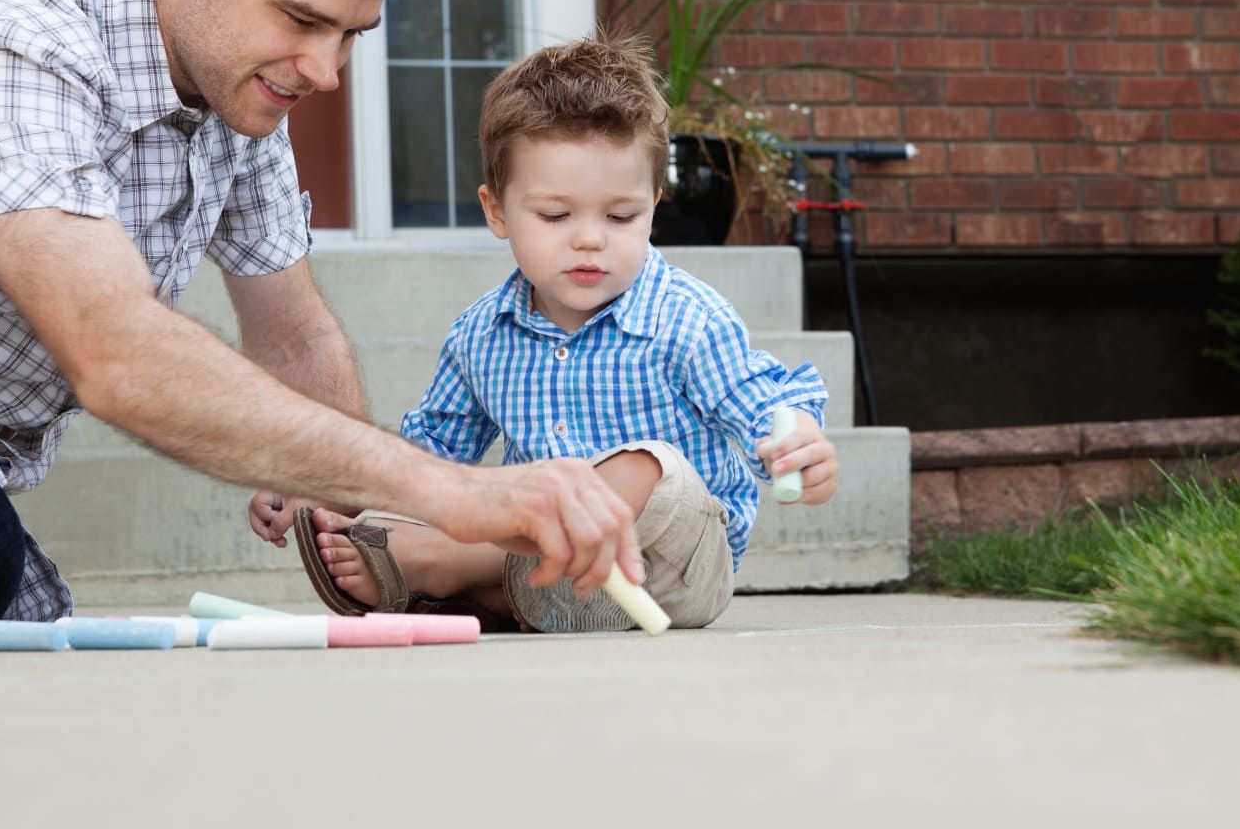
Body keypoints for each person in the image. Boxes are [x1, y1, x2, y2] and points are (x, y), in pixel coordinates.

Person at [0, 0, 641, 650]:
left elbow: (295, 340)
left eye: (350, 36)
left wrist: (379, 540)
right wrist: (452, 492)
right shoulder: (5, 42)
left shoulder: (238, 94)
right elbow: (114, 354)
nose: (326, 72)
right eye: (302, 20)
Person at [258, 35, 839, 632]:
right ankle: (489, 591)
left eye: (621, 216)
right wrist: (324, 492)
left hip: (666, 569)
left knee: (649, 465)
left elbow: (765, 400)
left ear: (654, 206)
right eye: (556, 216)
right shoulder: (480, 336)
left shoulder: (687, 319)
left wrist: (796, 438)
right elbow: (427, 461)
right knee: (440, 498)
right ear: (496, 211)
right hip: (557, 584)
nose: (590, 239)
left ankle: (450, 566)